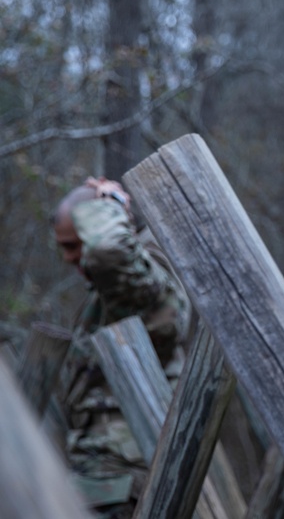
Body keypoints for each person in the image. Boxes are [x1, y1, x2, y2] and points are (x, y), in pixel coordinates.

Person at [52, 177, 188, 518]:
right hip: (101, 481)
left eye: (73, 245)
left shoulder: (139, 287)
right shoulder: (106, 296)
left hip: (124, 484)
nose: (67, 258)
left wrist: (110, 206)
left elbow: (109, 251)